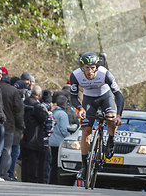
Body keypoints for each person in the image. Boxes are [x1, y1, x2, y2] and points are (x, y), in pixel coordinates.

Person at [71, 52, 124, 181]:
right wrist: (80, 108)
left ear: (97, 67)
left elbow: (119, 95)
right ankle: (84, 167)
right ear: (82, 67)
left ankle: (110, 141)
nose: (90, 71)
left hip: (105, 97)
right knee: (86, 132)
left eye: (93, 67)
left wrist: (118, 116)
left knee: (111, 119)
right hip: (89, 99)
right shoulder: (75, 75)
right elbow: (73, 96)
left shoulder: (105, 74)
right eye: (87, 68)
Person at [0, 66, 23, 181]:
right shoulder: (13, 91)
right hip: (9, 125)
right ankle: (3, 173)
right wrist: (21, 126)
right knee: (6, 150)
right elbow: (18, 110)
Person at [21, 85, 48, 183]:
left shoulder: (25, 102)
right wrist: (46, 112)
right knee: (33, 161)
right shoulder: (37, 106)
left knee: (25, 160)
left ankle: (25, 178)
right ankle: (32, 179)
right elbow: (43, 118)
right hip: (34, 138)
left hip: (24, 136)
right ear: (40, 95)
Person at [49, 95, 69, 185]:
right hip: (59, 142)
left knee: (51, 162)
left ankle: (50, 179)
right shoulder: (63, 114)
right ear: (65, 103)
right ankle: (55, 181)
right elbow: (64, 129)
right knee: (57, 164)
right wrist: (69, 138)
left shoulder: (52, 112)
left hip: (50, 140)